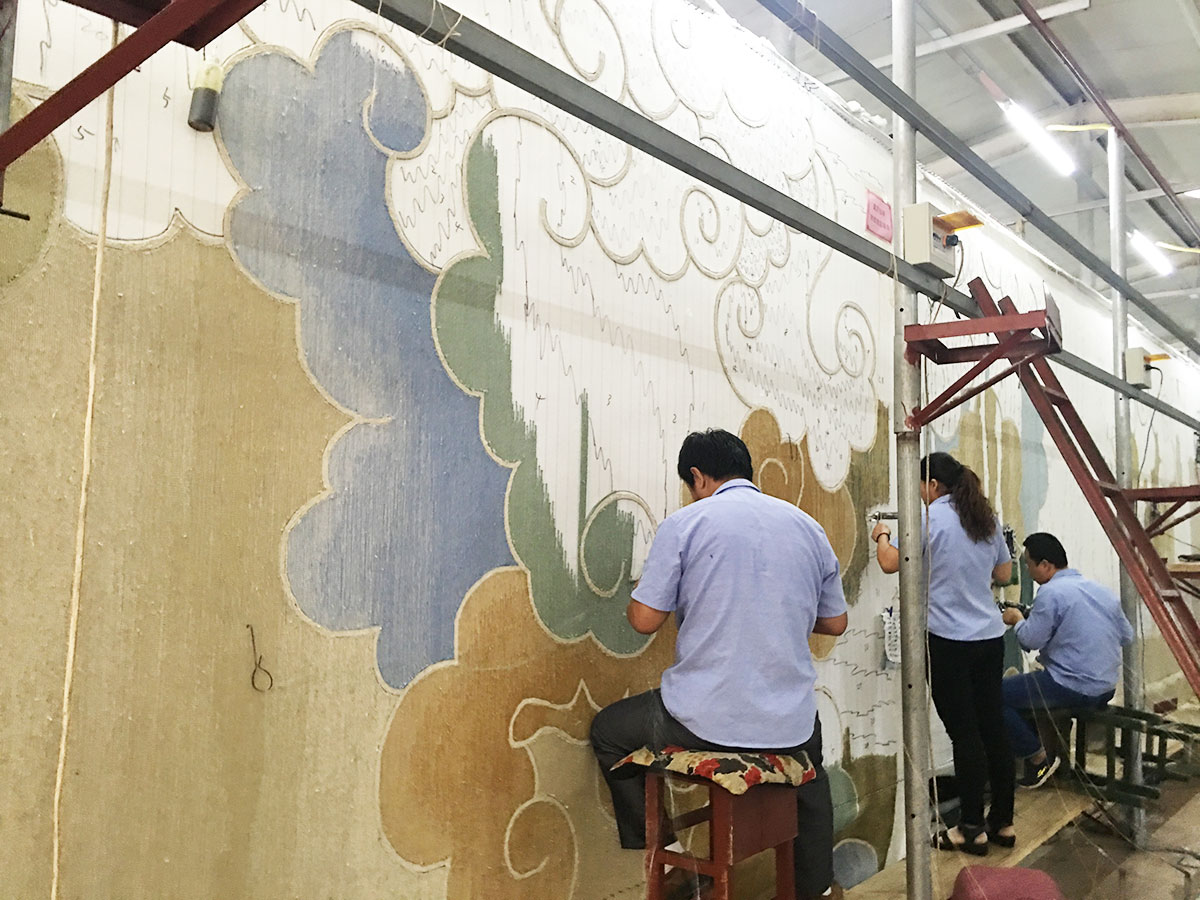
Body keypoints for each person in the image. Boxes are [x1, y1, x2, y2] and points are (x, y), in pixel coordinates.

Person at [589, 429, 848, 900]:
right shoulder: (807, 527)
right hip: (788, 723)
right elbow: (835, 622)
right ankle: (818, 890)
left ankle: (672, 858)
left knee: (608, 732)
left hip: (702, 722)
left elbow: (644, 621)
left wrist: (642, 592)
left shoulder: (685, 525)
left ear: (697, 476)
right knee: (811, 771)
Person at [870, 451, 1015, 856]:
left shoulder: (929, 518)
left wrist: (882, 534)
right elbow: (1003, 574)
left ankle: (971, 829)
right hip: (989, 639)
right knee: (993, 729)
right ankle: (1002, 822)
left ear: (933, 484)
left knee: (964, 735)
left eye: (920, 486)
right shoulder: (984, 519)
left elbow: (890, 563)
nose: (919, 493)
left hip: (949, 642)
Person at [1000, 532, 1135, 789]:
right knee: (1025, 689)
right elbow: (1126, 635)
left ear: (1045, 565)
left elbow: (1030, 640)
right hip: (1105, 688)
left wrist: (1016, 620)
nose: (1027, 570)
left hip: (1071, 687)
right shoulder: (1100, 591)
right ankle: (1043, 753)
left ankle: (1038, 758)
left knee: (992, 695)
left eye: (1028, 564)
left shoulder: (1050, 593)